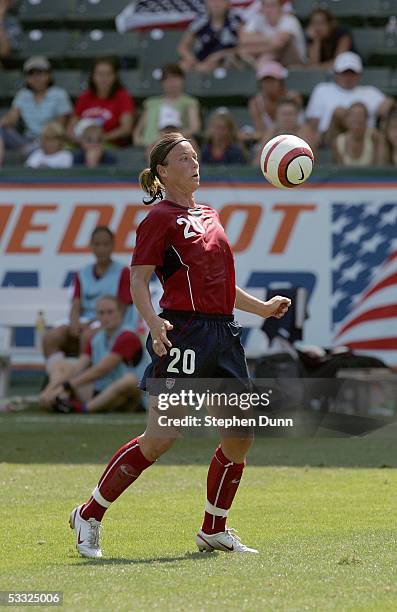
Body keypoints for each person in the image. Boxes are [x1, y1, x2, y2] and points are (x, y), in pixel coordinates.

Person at [69, 131, 291, 559]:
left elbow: (221, 283)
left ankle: (214, 528)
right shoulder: (158, 219)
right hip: (183, 334)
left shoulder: (209, 213)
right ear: (162, 173)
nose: (195, 163)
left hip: (223, 335)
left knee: (240, 435)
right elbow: (138, 279)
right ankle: (89, 514)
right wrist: (153, 324)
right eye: (184, 159)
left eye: (195, 156)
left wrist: (261, 308)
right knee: (160, 438)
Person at [42, 226, 133, 368]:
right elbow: (76, 304)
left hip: (112, 323)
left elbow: (121, 309)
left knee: (88, 337)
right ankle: (57, 375)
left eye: (105, 244)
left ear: (112, 245)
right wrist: (74, 323)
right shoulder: (82, 273)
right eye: (97, 244)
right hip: (86, 322)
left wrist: (90, 323)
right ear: (91, 246)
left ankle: (84, 383)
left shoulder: (123, 272)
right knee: (51, 337)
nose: (101, 249)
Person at [39, 295, 144, 414]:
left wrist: (65, 387)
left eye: (110, 312)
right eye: (101, 313)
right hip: (102, 391)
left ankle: (80, 408)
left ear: (121, 313)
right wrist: (51, 389)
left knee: (129, 381)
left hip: (134, 395)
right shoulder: (96, 339)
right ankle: (51, 397)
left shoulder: (128, 336)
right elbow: (78, 367)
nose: (105, 317)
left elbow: (101, 370)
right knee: (61, 365)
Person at [306, 52, 394, 144]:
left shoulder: (371, 92)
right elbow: (313, 123)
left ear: (360, 75)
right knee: (339, 112)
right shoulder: (322, 90)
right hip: (330, 139)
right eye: (344, 73)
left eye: (352, 73)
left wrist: (390, 104)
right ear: (336, 74)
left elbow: (389, 107)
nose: (348, 77)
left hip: (366, 140)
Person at [0, 56, 73, 166]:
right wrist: (3, 122)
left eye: (40, 73)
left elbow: (60, 127)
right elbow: (12, 117)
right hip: (26, 140)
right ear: (26, 78)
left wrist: (44, 140)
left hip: (50, 139)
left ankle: (31, 153)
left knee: (46, 142)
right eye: (31, 74)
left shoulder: (59, 94)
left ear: (49, 75)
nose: (36, 77)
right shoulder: (22, 95)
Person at [68, 57, 135, 147]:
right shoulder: (85, 96)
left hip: (109, 145)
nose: (104, 78)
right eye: (100, 74)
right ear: (93, 76)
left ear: (115, 76)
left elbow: (126, 129)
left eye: (108, 74)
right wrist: (81, 141)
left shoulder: (122, 96)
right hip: (81, 144)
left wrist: (99, 139)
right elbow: (70, 128)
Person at [133, 63, 201, 151]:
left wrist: (170, 139)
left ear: (182, 80)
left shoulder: (189, 102)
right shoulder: (151, 103)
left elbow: (194, 127)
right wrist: (139, 140)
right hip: (149, 145)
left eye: (175, 78)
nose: (171, 82)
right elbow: (139, 129)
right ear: (162, 83)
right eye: (167, 79)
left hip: (173, 145)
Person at [178, 0, 243, 73]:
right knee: (184, 65)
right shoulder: (200, 21)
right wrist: (193, 61)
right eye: (212, 1)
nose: (216, 5)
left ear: (227, 3)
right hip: (202, 60)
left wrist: (219, 56)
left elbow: (243, 47)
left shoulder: (235, 21)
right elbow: (183, 47)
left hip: (225, 60)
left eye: (220, 1)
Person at [238, 0, 306, 67]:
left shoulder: (290, 20)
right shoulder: (257, 19)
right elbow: (243, 39)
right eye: (266, 6)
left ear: (280, 7)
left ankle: (259, 67)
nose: (269, 10)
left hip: (294, 65)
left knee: (274, 52)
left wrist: (252, 46)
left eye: (273, 6)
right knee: (243, 52)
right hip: (266, 58)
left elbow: (278, 43)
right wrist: (271, 39)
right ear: (262, 8)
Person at [248, 59, 302, 141]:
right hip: (268, 141)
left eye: (272, 80)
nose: (269, 85)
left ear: (280, 82)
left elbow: (298, 126)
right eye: (265, 81)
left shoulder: (293, 97)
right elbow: (261, 131)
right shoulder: (255, 103)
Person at [252, 98, 318, 165]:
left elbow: (310, 160)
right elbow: (258, 161)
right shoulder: (271, 131)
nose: (287, 118)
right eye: (284, 114)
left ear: (297, 115)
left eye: (290, 114)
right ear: (277, 115)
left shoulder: (304, 130)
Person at [332, 102, 379, 167]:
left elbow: (378, 167)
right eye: (353, 115)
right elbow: (339, 170)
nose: (357, 118)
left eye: (360, 115)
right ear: (347, 119)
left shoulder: (374, 137)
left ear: (366, 120)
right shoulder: (339, 141)